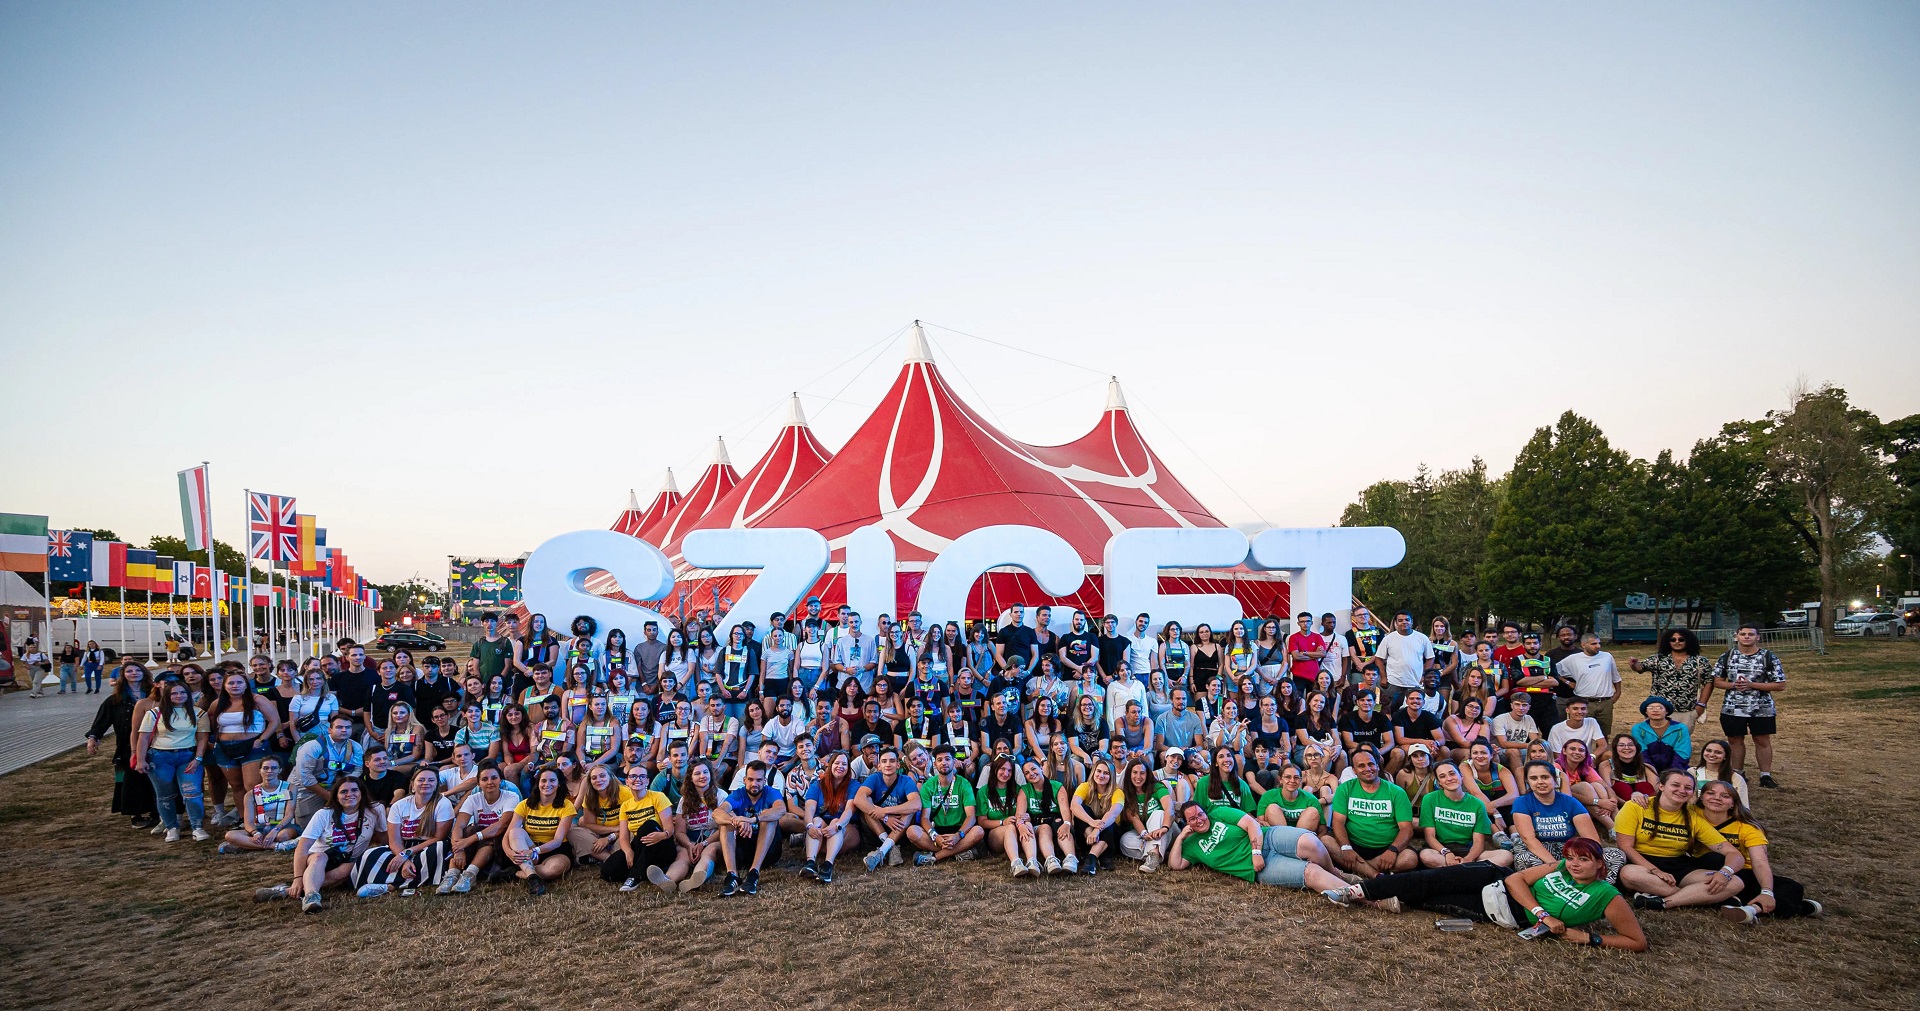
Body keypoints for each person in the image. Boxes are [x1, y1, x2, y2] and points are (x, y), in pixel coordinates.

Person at [1323, 836, 1648, 951]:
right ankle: (1356, 890)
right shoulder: (1561, 866)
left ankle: (1383, 896)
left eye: (1583, 860)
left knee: (1430, 900)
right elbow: (1516, 880)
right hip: (1495, 879)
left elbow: (1637, 942)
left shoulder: (1607, 896)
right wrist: (1543, 915)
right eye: (1572, 858)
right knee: (1426, 880)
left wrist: (1589, 938)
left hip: (1501, 912)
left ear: (1600, 864)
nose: (1574, 864)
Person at [1615, 769, 1747, 910]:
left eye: (1688, 788)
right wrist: (1655, 870)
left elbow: (1734, 854)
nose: (1682, 790)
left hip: (1679, 866)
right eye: (1675, 785)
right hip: (1642, 865)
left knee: (1735, 882)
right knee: (1628, 874)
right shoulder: (1636, 807)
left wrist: (1725, 873)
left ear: (1692, 793)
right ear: (1661, 786)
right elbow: (1625, 846)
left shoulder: (1692, 817)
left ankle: (1665, 902)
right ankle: (1702, 898)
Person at [1693, 780, 1823, 922]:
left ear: (1733, 803)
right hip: (1705, 870)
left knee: (1792, 887)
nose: (1717, 798)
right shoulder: (1691, 814)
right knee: (1714, 858)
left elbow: (1760, 861)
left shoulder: (1747, 828)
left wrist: (1767, 891)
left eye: (1725, 796)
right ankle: (1799, 908)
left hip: (1742, 872)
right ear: (1701, 797)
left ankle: (1752, 908)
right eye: (1711, 793)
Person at [253, 777, 382, 914]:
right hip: (315, 860)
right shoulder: (324, 814)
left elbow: (383, 836)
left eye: (354, 790)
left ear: (362, 792)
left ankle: (286, 891)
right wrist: (297, 878)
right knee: (320, 857)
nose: (350, 794)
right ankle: (311, 896)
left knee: (350, 867)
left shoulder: (374, 811)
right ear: (336, 796)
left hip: (347, 861)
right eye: (344, 792)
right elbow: (302, 847)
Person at [1166, 800, 1350, 894]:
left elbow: (1251, 824)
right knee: (1311, 872)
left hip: (1267, 838)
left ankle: (1336, 875)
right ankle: (1358, 895)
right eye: (1192, 819)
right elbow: (1175, 865)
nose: (1199, 820)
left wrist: (1256, 851)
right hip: (1259, 868)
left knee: (1311, 842)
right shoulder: (1192, 845)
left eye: (1200, 814)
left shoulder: (1219, 813)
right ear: (1187, 823)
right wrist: (1180, 837)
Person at [1705, 623, 1785, 789]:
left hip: (1761, 708)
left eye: (1751, 634)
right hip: (1732, 707)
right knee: (1735, 740)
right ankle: (1737, 773)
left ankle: (1765, 775)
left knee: (1762, 740)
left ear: (1758, 637)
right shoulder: (1727, 656)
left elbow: (1780, 685)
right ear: (1736, 637)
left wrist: (1752, 685)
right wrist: (1734, 685)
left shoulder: (1768, 657)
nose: (1746, 637)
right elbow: (1717, 681)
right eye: (1743, 634)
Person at [355, 766, 455, 897]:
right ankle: (402, 880)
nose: (426, 783)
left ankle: (390, 885)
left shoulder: (443, 803)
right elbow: (394, 840)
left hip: (428, 845)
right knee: (371, 853)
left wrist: (406, 854)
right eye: (421, 780)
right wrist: (404, 859)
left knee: (438, 849)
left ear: (436, 785)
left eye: (431, 780)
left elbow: (438, 837)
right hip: (403, 846)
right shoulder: (399, 805)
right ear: (412, 785)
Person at [86, 662, 158, 829]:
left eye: (137, 670)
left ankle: (156, 811)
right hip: (127, 745)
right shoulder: (116, 699)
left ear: (144, 673)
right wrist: (93, 737)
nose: (134, 673)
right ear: (123, 675)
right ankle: (136, 813)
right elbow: (101, 721)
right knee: (131, 779)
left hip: (155, 742)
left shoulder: (154, 696)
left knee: (154, 777)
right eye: (129, 671)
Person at [1325, 747, 1417, 876]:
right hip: (1354, 845)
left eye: (1371, 764)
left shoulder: (1396, 792)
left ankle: (1359, 869)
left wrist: (1393, 850)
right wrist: (1346, 847)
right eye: (1361, 766)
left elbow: (1406, 828)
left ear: (1378, 766)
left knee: (1410, 858)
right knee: (1326, 841)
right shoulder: (1344, 789)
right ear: (1354, 770)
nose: (1368, 769)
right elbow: (1338, 822)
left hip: (1386, 847)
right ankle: (1376, 875)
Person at [137, 679, 208, 843]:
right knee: (165, 796)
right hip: (160, 758)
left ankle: (197, 827)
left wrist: (198, 758)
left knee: (192, 793)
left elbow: (202, 738)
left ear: (188, 694)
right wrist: (140, 759)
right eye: (174, 693)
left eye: (182, 692)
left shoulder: (199, 713)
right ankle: (171, 827)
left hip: (188, 756)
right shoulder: (154, 713)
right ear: (167, 695)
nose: (178, 696)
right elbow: (143, 737)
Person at [1417, 761, 1510, 868]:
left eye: (1452, 773)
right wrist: (1447, 853)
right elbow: (1430, 836)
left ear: (1461, 776)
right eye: (1442, 776)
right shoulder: (1429, 799)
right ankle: (1469, 870)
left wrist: (1468, 859)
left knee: (1506, 856)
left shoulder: (1477, 804)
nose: (1449, 778)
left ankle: (1459, 869)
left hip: (1466, 849)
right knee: (1426, 855)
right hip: (1440, 849)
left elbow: (1478, 842)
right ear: (1439, 783)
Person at [503, 765, 577, 895]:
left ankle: (516, 873)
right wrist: (510, 853)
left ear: (559, 784)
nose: (547, 784)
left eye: (552, 780)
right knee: (515, 832)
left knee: (553, 870)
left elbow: (557, 841)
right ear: (538, 784)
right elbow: (507, 835)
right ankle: (533, 878)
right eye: (543, 780)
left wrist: (534, 851)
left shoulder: (567, 805)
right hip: (530, 847)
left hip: (555, 850)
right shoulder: (525, 804)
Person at [907, 744, 983, 865]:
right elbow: (924, 818)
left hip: (959, 831)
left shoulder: (964, 784)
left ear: (954, 761)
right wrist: (934, 836)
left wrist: (958, 835)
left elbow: (971, 816)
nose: (944, 763)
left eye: (947, 759)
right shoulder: (928, 785)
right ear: (935, 764)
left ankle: (935, 857)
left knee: (978, 831)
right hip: (937, 831)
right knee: (912, 831)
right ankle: (959, 851)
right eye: (940, 760)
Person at [445, 765, 517, 893]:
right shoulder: (473, 799)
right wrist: (458, 850)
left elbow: (503, 825)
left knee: (491, 835)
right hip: (479, 842)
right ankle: (451, 875)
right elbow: (458, 825)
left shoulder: (511, 797)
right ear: (478, 783)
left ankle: (470, 874)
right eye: (484, 779)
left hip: (501, 844)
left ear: (500, 780)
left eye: (494, 778)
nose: (490, 782)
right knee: (467, 831)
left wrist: (471, 839)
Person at [1629, 627, 1713, 730]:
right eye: (1673, 639)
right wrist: (1634, 664)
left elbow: (1709, 682)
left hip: (1686, 711)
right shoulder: (1658, 659)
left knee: (1680, 739)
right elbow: (1640, 667)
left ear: (1688, 641)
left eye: (1681, 639)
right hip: (1659, 709)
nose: (1677, 642)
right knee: (1656, 738)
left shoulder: (1700, 661)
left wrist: (1701, 705)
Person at [855, 748, 922, 871]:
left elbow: (917, 804)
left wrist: (885, 811)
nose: (888, 764)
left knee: (909, 811)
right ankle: (889, 846)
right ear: (879, 766)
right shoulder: (874, 778)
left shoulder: (906, 780)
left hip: (899, 827)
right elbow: (858, 799)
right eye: (884, 761)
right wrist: (885, 817)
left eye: (892, 761)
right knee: (867, 802)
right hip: (878, 828)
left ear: (898, 765)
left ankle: (882, 851)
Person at [1558, 633, 1621, 735]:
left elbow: (1616, 677)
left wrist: (1618, 693)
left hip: (1605, 702)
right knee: (1581, 732)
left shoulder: (1607, 657)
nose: (1598, 646)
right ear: (1583, 645)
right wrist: (1568, 682)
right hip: (1583, 702)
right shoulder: (1573, 659)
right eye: (1593, 644)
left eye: (1599, 643)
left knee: (1603, 734)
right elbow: (1554, 670)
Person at [1376, 611, 1433, 708]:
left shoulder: (1422, 638)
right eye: (1400, 620)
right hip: (1393, 682)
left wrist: (1424, 675)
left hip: (1415, 683)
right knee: (1392, 710)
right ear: (1396, 622)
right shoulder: (1388, 638)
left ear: (1411, 622)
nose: (1404, 622)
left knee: (1414, 710)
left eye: (1407, 620)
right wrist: (1383, 677)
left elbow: (1430, 658)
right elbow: (1379, 658)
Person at [1628, 696, 1691, 772]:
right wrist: (1652, 772)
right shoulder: (1638, 729)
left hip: (1676, 770)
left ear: (1666, 711)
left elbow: (1682, 754)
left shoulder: (1680, 728)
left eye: (1660, 708)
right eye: (1650, 708)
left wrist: (1671, 774)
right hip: (1646, 769)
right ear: (1646, 712)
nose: (1655, 710)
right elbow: (1641, 754)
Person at [1690, 739, 1751, 808]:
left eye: (1718, 752)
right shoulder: (1693, 772)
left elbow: (1742, 806)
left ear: (1725, 756)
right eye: (1708, 750)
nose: (1712, 754)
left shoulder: (1735, 778)